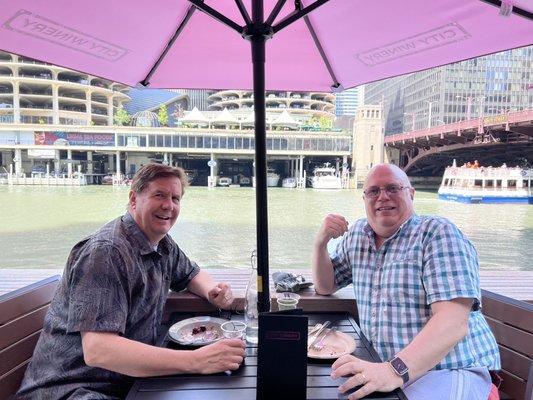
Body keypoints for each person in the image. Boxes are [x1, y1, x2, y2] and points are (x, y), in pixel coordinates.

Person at [16, 163, 245, 400]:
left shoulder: (161, 243)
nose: (169, 205)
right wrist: (197, 361)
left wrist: (212, 291)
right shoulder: (105, 253)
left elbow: (190, 274)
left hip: (126, 383)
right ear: (134, 199)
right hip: (71, 389)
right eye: (160, 195)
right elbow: (98, 351)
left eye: (175, 198)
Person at [312, 164, 500, 400]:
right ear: (364, 198)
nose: (382, 196)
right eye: (373, 191)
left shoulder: (437, 233)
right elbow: (325, 286)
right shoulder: (359, 234)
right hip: (386, 370)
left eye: (392, 188)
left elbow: (453, 322)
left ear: (411, 194)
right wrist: (321, 243)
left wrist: (393, 370)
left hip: (450, 370)